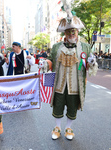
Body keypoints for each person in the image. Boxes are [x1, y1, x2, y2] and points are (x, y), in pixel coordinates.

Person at [47, 6, 98, 140]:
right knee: (57, 105)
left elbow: (90, 66)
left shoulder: (85, 47)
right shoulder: (56, 47)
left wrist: (92, 62)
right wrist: (44, 64)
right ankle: (57, 127)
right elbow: (51, 62)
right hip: (59, 83)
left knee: (72, 106)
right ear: (65, 34)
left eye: (73, 32)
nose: (71, 35)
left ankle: (69, 128)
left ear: (77, 32)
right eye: (68, 33)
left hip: (76, 85)